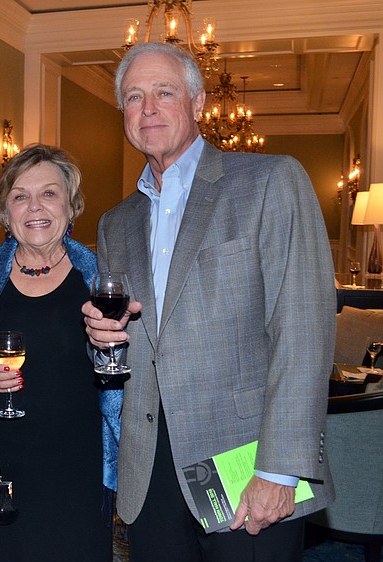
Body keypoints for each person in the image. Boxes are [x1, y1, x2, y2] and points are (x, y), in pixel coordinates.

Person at [82, 42, 336, 561]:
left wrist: (278, 471)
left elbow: (304, 331)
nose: (147, 108)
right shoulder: (116, 223)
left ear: (197, 103)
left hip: (246, 465)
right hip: (150, 475)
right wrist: (101, 342)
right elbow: (127, 354)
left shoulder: (269, 182)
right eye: (133, 96)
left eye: (163, 92)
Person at [0, 144, 120, 561]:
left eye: (49, 194)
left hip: (78, 470)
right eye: (20, 196)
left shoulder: (100, 276)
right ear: (5, 212)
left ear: (71, 206)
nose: (34, 207)